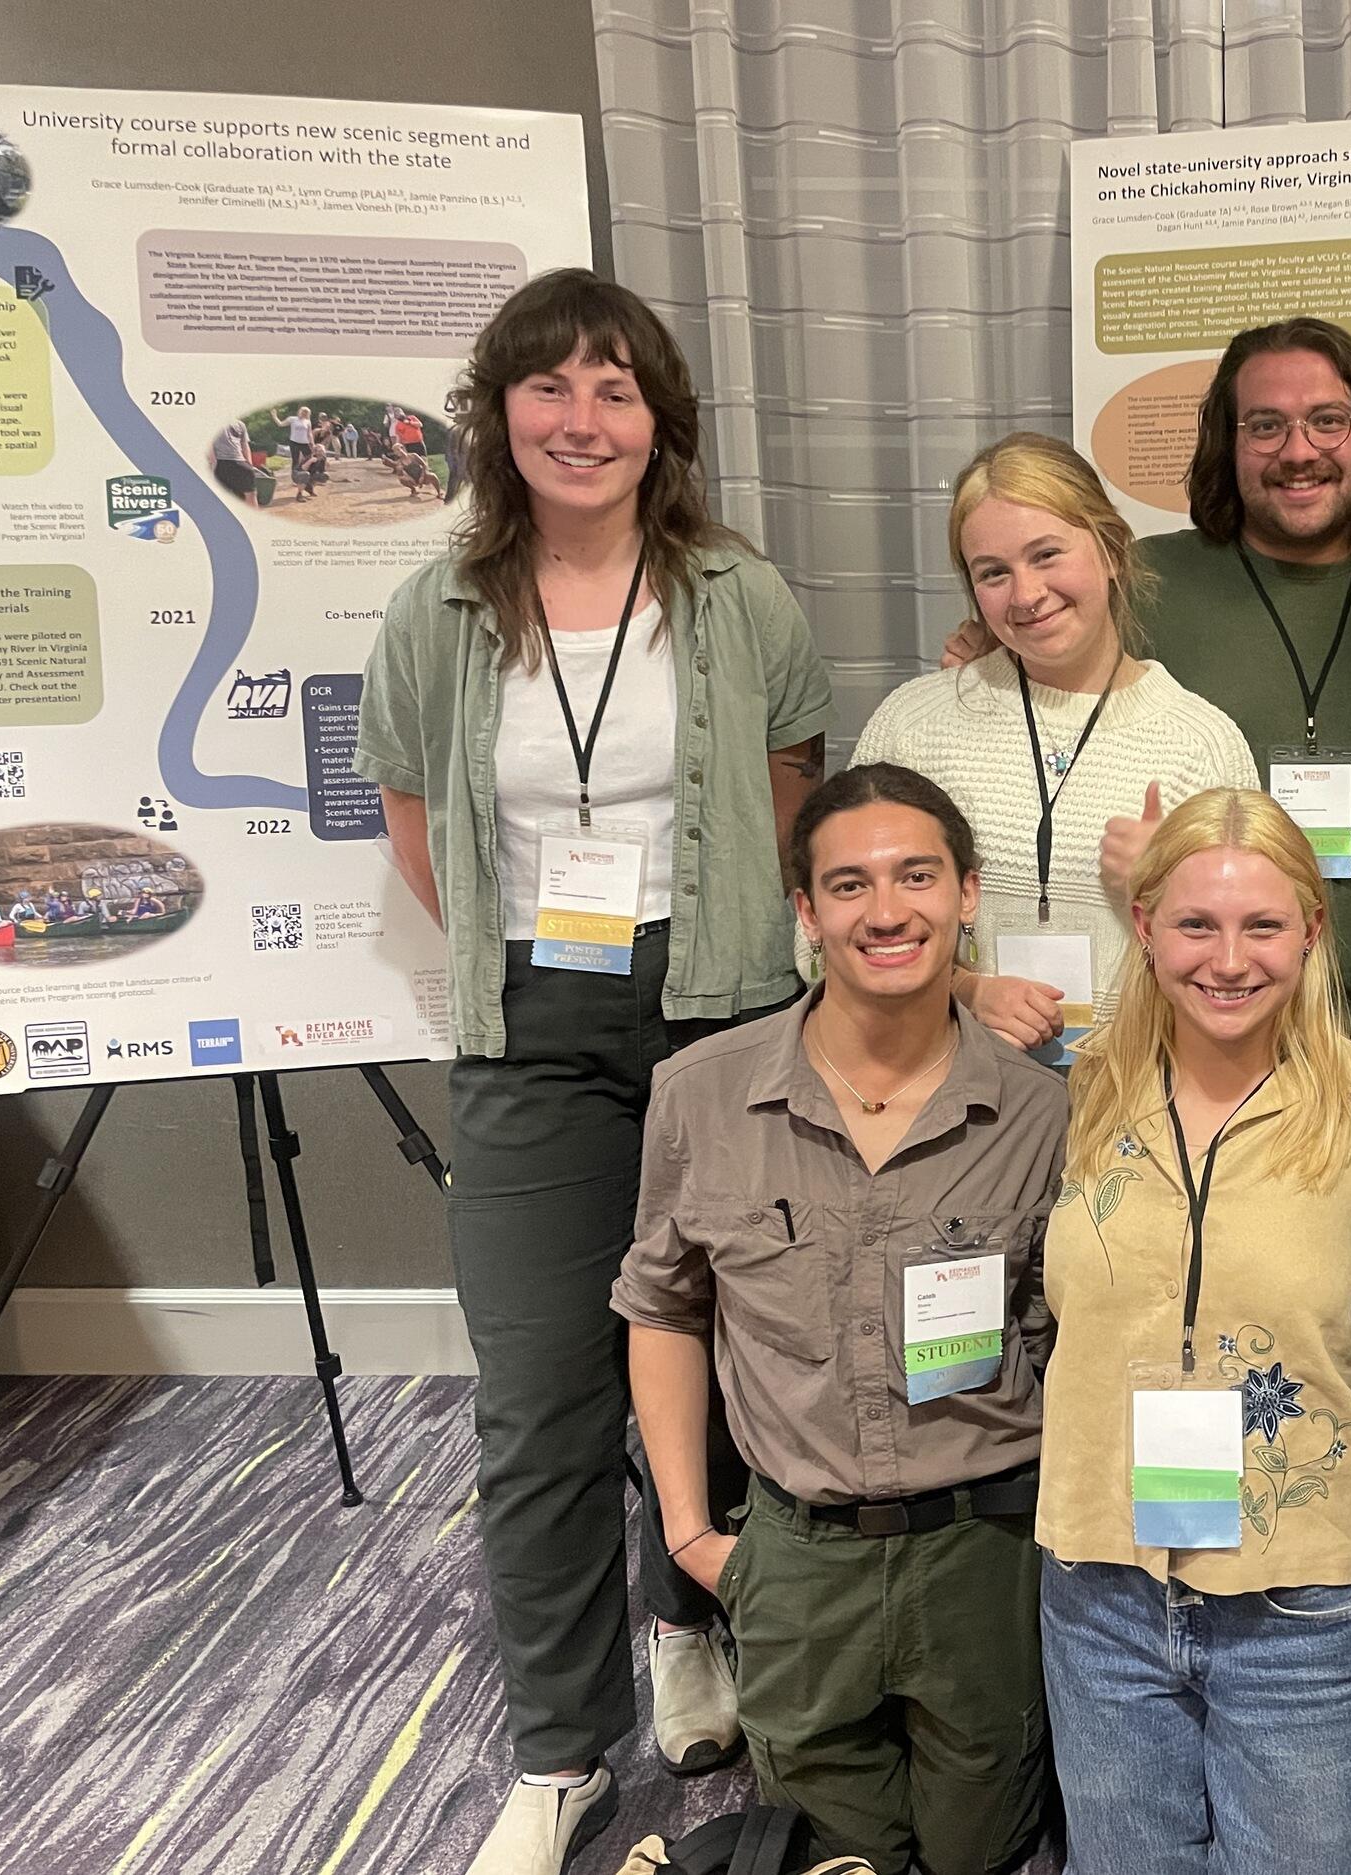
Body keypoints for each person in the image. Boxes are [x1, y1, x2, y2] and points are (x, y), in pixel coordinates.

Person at [354, 266, 834, 1875]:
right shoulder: (433, 613)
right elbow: (419, 826)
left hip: (723, 1011)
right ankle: (559, 1749)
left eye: (616, 387)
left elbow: (787, 799)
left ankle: (692, 1624)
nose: (582, 417)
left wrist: (699, 956)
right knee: (543, 1396)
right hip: (525, 1034)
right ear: (500, 415)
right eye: (549, 387)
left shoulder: (740, 595)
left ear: (660, 421)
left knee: (743, 1359)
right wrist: (546, 959)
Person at [618, 763, 1065, 1875]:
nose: (887, 910)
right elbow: (664, 1310)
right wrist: (688, 1536)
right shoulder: (703, 1095)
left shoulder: (1043, 1112)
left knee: (980, 1852)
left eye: (917, 876)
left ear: (967, 896)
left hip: (985, 1552)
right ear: (807, 914)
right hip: (797, 1558)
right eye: (849, 884)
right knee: (830, 1855)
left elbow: (1071, 1337)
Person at [1035, 787, 1351, 1875]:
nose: (1228, 958)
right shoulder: (1084, 1091)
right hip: (1102, 1580)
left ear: (1311, 931)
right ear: (1145, 922)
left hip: (1303, 1596)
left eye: (1262, 926)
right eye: (1196, 925)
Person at [944, 318, 1351, 1045]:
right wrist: (977, 654)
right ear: (1227, 444)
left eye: (1327, 421)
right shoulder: (1146, 581)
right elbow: (1035, 627)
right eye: (1265, 425)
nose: (1298, 451)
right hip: (1208, 1018)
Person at [853, 433, 1255, 1059]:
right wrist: (961, 991)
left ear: (1112, 551)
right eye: (993, 572)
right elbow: (823, 946)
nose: (1026, 595)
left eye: (1047, 555)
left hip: (1148, 1095)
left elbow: (1263, 964)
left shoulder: (1199, 742)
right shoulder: (915, 727)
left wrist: (1174, 889)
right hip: (957, 1094)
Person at [212, 419, 259, 505]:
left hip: (240, 462)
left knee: (250, 494)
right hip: (221, 462)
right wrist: (214, 465)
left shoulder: (240, 424)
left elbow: (244, 444)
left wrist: (249, 464)